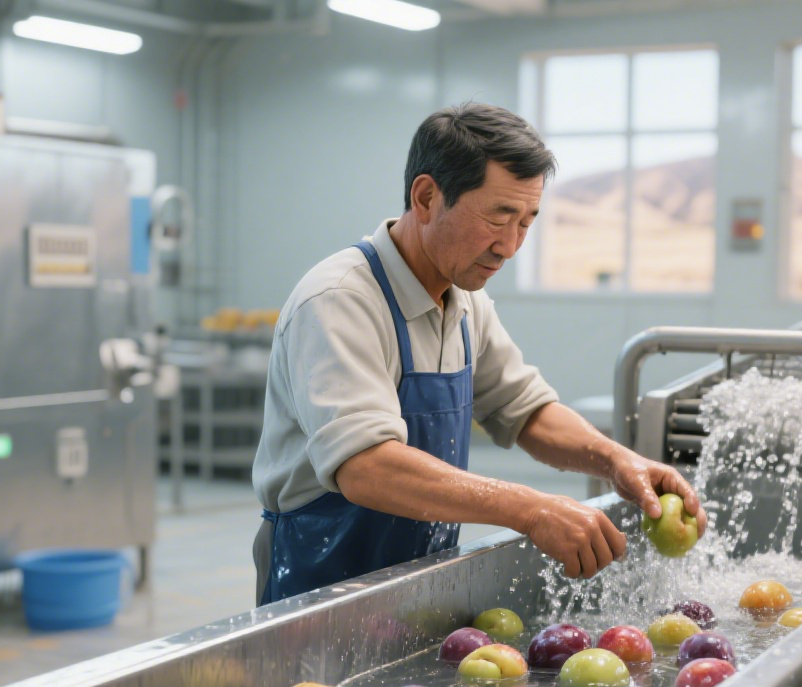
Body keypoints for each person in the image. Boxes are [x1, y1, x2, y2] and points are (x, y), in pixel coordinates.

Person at [251, 103, 705, 605]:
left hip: (418, 581)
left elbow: (526, 411)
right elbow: (366, 466)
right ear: (426, 197)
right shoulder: (340, 301)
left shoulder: (465, 301)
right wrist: (529, 508)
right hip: (319, 584)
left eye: (527, 222)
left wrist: (619, 461)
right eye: (498, 217)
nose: (509, 247)